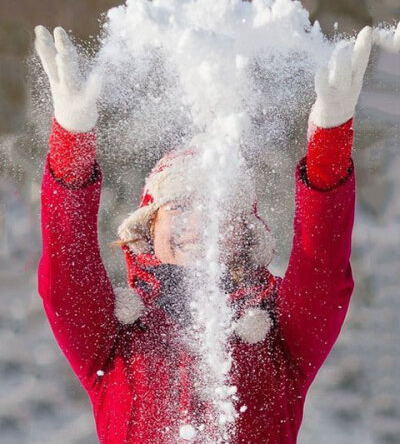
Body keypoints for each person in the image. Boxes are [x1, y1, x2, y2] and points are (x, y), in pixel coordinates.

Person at [35, 22, 376, 443]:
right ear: (148, 229)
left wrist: (330, 135)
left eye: (217, 212)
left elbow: (321, 268)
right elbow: (66, 274)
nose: (197, 225)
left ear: (245, 235)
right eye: (177, 207)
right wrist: (72, 134)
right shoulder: (114, 336)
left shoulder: (280, 335)